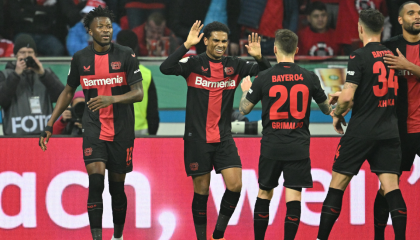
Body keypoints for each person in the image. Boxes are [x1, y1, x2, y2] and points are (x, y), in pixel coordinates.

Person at [38, 6, 143, 240]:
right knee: (96, 182)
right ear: (89, 30)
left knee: (117, 189)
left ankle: (118, 236)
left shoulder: (126, 54)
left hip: (122, 130)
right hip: (93, 128)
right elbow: (67, 92)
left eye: (108, 27)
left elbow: (138, 93)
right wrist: (49, 124)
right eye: (100, 27)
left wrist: (111, 98)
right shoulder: (80, 58)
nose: (106, 31)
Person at [160, 21, 271, 240]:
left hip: (223, 137)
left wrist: (259, 57)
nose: (221, 45)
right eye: (216, 41)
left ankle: (218, 233)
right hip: (197, 139)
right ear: (206, 41)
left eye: (224, 41)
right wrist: (186, 45)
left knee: (236, 185)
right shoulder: (194, 63)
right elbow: (166, 68)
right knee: (201, 191)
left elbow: (267, 72)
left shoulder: (235, 65)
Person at [316, 9, 407, 240]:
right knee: (391, 188)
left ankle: (321, 238)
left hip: (361, 131)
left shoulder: (358, 55)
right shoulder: (393, 55)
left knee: (338, 184)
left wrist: (337, 113)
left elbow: (348, 98)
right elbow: (374, 89)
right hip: (389, 130)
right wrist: (346, 93)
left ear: (359, 28)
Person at [238, 29, 331, 240]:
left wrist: (246, 89)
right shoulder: (309, 77)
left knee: (264, 193)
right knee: (294, 197)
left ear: (274, 49)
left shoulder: (264, 77)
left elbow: (244, 109)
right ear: (297, 50)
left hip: (271, 145)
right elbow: (326, 109)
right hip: (298, 146)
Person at [375, 2, 420, 239]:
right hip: (397, 129)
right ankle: (379, 236)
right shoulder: (389, 48)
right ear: (400, 20)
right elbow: (374, 82)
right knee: (387, 187)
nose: (417, 17)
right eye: (411, 13)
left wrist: (408, 66)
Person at [0, 34, 64, 135]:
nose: (26, 56)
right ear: (16, 55)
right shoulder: (5, 75)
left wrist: (43, 74)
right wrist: (16, 74)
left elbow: (62, 97)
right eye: (22, 52)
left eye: (30, 52)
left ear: (35, 55)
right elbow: (2, 100)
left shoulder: (46, 74)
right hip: (15, 139)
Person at [116, 29, 160, 135]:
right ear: (136, 47)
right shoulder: (146, 73)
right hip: (141, 131)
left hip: (115, 130)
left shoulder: (107, 73)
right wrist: (152, 133)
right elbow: (152, 109)